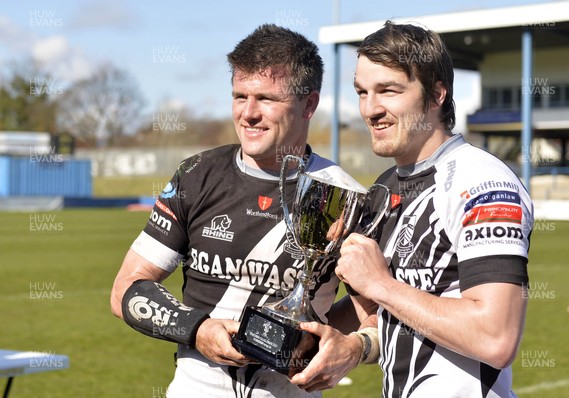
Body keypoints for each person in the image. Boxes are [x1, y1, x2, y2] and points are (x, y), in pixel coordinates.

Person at [110, 24, 374, 398]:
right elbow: (126, 288)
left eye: (266, 98)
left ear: (309, 104)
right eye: (239, 96)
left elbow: (375, 310)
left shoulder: (343, 196)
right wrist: (196, 329)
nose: (248, 113)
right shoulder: (196, 175)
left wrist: (341, 346)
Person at [292, 22, 534, 397]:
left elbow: (495, 337)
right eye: (362, 92)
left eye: (388, 90)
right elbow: (374, 308)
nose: (370, 109)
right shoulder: (384, 188)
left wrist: (381, 284)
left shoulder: (483, 183)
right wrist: (293, 329)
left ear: (437, 94)